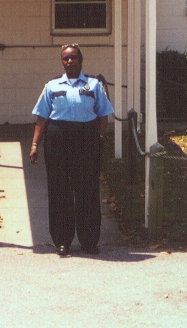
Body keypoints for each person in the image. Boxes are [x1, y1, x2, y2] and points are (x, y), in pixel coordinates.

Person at [30, 44, 114, 256]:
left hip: (86, 137)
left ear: (81, 60)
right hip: (58, 137)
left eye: (74, 58)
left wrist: (99, 138)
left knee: (87, 190)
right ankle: (62, 241)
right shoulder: (51, 86)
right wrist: (34, 144)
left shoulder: (94, 85)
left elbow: (103, 115)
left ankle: (88, 241)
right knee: (60, 191)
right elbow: (42, 117)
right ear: (62, 62)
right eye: (66, 58)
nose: (70, 62)